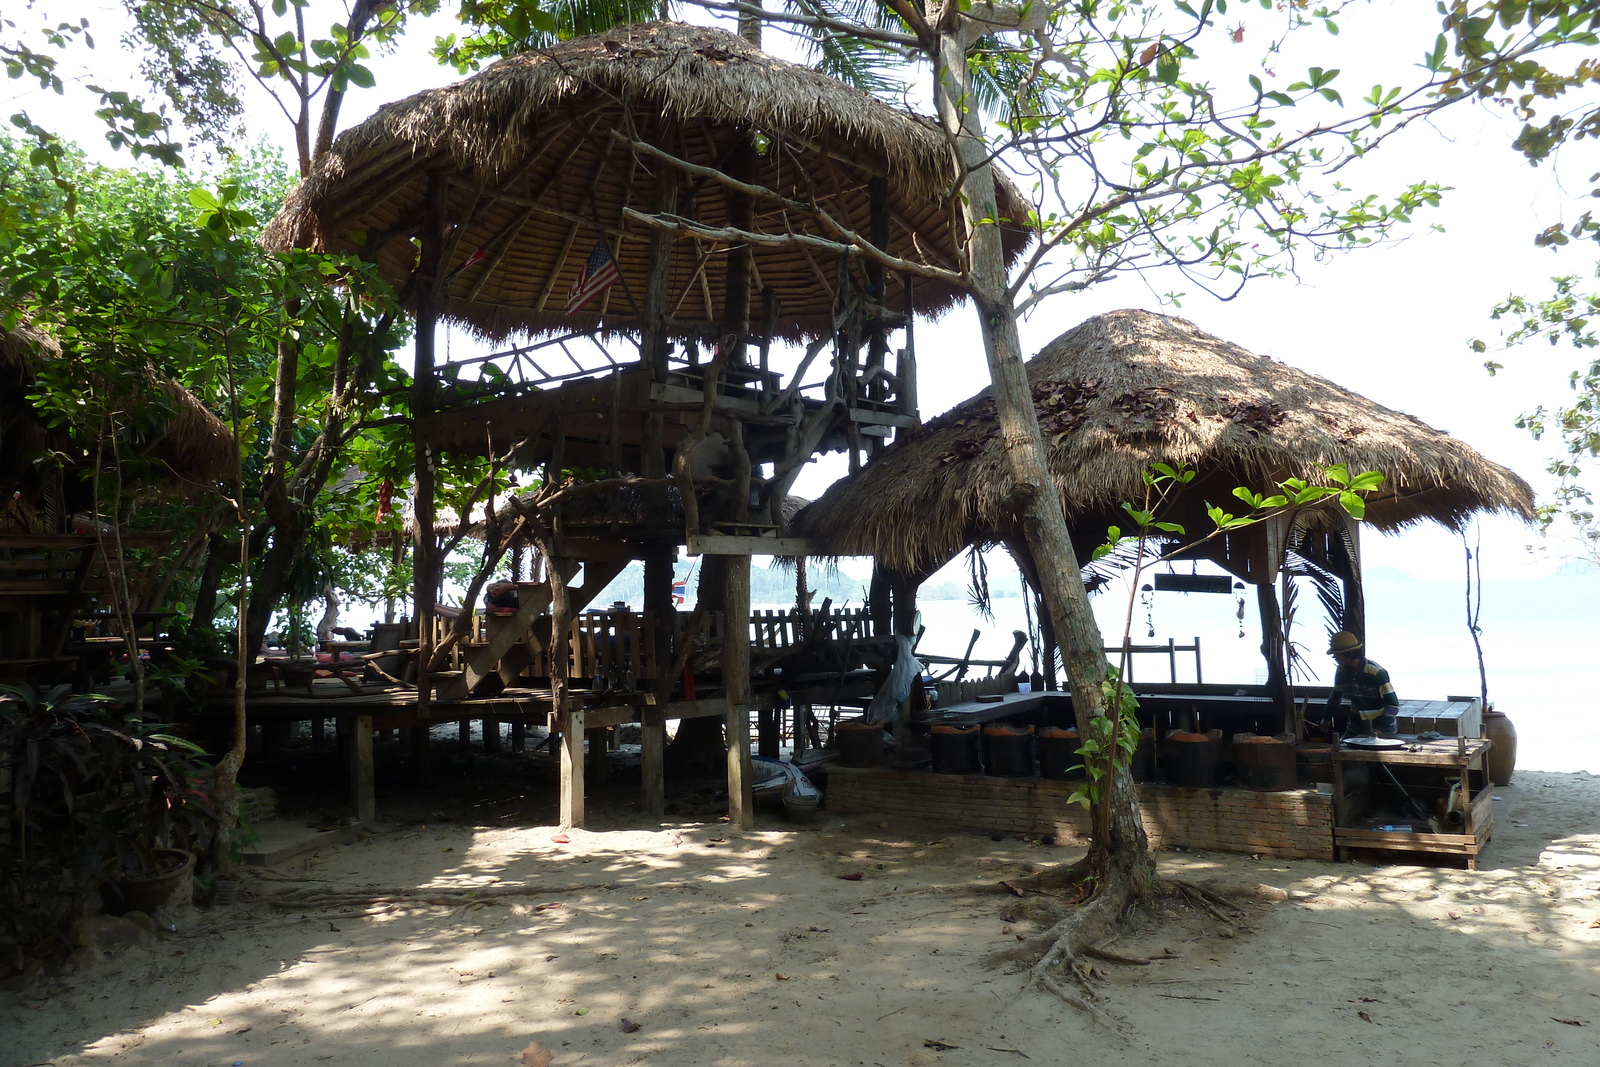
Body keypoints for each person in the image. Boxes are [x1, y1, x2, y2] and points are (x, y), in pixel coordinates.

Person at [1325, 631, 1400, 737]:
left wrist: (1379, 728)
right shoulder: (1341, 672)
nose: (1335, 658)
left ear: (1348, 654)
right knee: (1342, 750)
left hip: (1383, 729)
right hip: (1356, 727)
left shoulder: (1376, 672)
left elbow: (1393, 705)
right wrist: (1327, 718)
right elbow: (1335, 697)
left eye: (1337, 655)